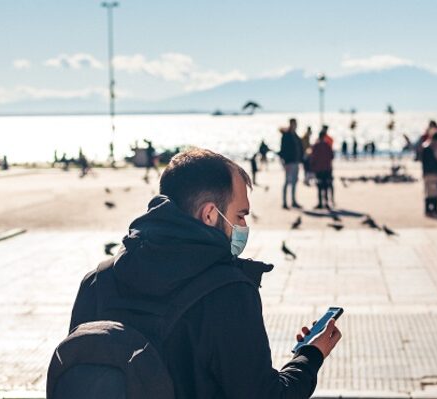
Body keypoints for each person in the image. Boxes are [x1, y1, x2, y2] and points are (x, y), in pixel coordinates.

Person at [64, 149, 342, 398]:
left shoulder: (97, 281)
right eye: (240, 215)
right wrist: (311, 355)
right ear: (210, 215)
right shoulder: (228, 293)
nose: (245, 225)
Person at [278, 118, 304, 209]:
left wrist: (301, 159)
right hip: (289, 162)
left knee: (294, 182)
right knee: (287, 182)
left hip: (296, 162)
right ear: (291, 124)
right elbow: (283, 150)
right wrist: (284, 162)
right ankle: (285, 202)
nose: (295, 125)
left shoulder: (295, 135)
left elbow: (300, 148)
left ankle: (293, 201)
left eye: (296, 124)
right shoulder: (286, 135)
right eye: (294, 124)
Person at [310, 128, 334, 209]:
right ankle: (326, 202)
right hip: (326, 169)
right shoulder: (327, 145)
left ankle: (320, 203)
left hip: (319, 169)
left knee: (320, 186)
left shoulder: (316, 146)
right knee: (326, 186)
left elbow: (313, 158)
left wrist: (313, 168)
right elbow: (331, 156)